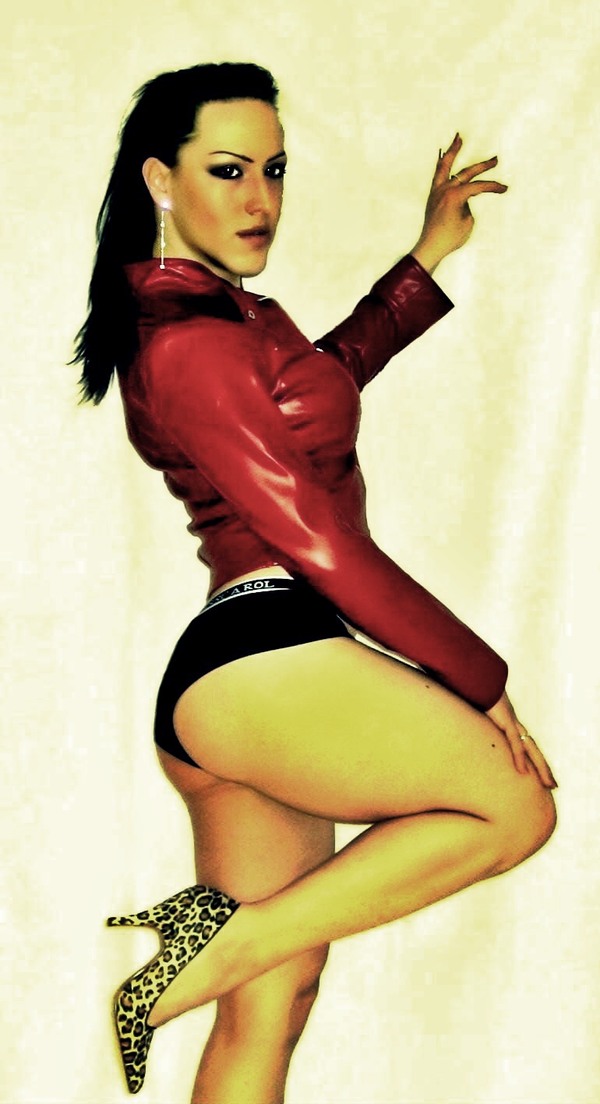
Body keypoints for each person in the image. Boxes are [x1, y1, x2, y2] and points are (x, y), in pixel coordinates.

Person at [73, 62, 557, 1104]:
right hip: (265, 654)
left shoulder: (226, 322)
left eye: (276, 170)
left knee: (272, 1007)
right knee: (514, 809)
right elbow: (321, 545)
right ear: (161, 180)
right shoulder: (189, 343)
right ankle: (209, 952)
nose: (261, 199)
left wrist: (424, 259)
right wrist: (479, 679)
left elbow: (321, 386)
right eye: (229, 170)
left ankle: (223, 946)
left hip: (245, 682)